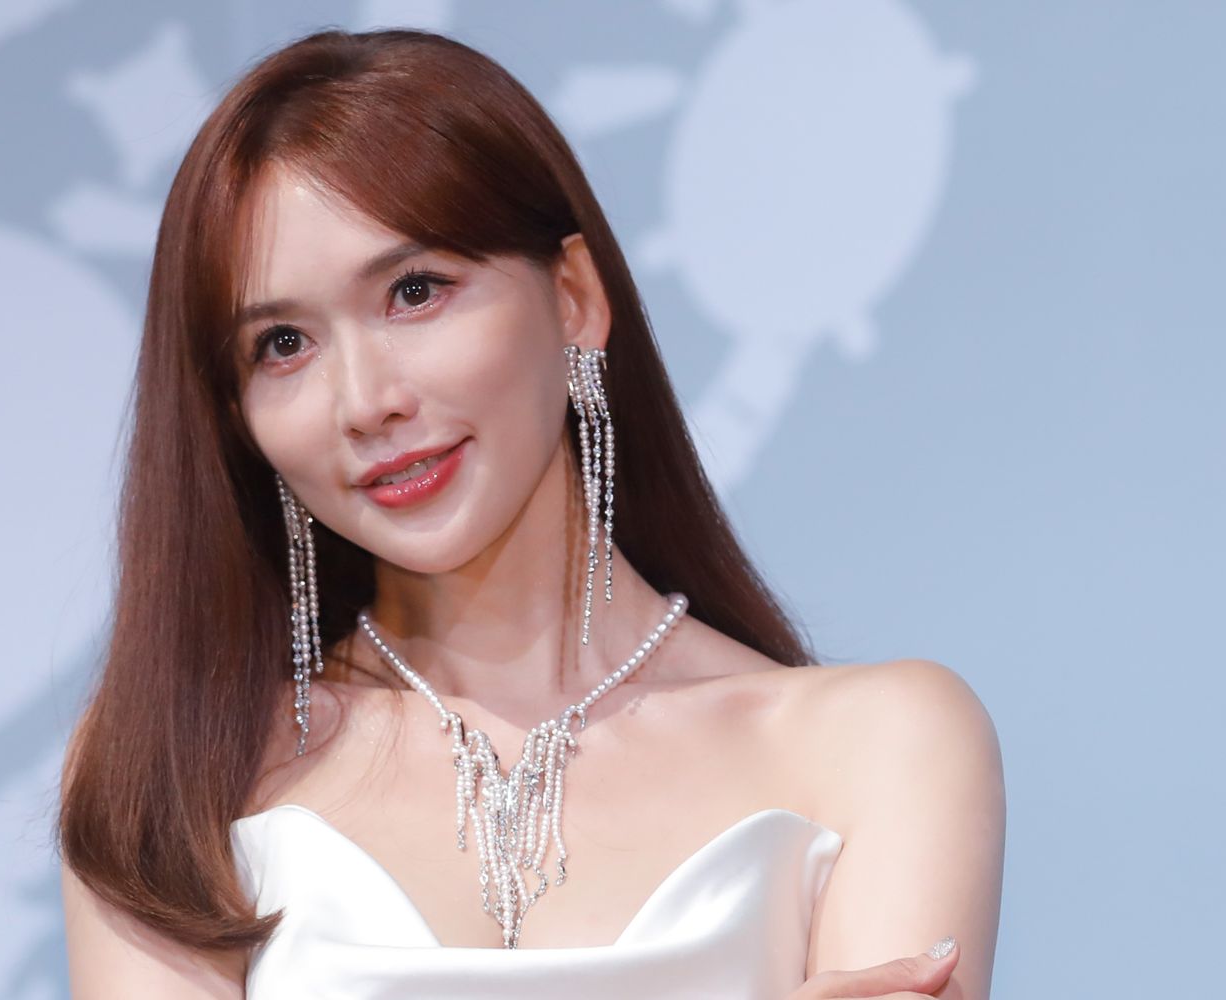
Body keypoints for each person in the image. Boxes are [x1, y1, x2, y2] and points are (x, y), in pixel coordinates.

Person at [56, 26, 1005, 1000]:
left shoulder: (873, 746)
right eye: (283, 345)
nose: (364, 401)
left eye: (414, 292)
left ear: (574, 297)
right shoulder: (177, 766)